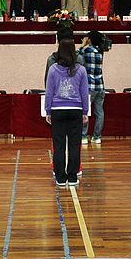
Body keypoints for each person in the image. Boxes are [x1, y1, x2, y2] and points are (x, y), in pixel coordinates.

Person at [45, 35, 90, 187]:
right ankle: (72, 176)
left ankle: (60, 177)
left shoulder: (53, 69)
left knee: (58, 145)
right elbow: (84, 93)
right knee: (74, 144)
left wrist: (48, 110)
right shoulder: (81, 70)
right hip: (75, 110)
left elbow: (49, 92)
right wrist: (85, 111)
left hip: (57, 110)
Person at [79, 31, 108, 146]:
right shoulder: (100, 51)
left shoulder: (86, 51)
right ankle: (97, 137)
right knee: (99, 112)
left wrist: (83, 44)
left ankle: (83, 136)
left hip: (88, 86)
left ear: (90, 39)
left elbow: (76, 54)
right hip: (100, 86)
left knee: (84, 111)